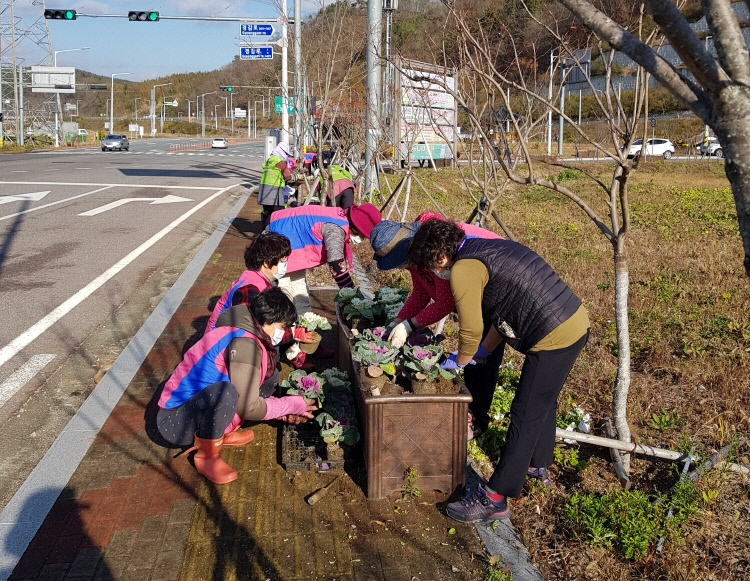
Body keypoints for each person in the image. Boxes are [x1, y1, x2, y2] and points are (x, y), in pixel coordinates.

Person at [407, 219, 590, 523]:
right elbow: (502, 314)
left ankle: (496, 497)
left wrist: (461, 360)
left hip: (553, 334)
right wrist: (483, 351)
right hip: (573, 321)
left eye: (432, 266)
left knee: (524, 413)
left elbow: (470, 329)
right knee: (543, 399)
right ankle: (537, 464)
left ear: (440, 257)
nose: (436, 274)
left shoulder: (464, 269)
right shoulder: (485, 249)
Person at [157, 288, 316, 484]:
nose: (284, 333)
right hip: (176, 420)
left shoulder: (246, 330)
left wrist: (279, 411)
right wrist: (289, 405)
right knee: (227, 392)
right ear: (267, 321)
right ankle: (206, 457)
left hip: (197, 407)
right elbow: (247, 406)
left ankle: (224, 432)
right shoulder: (244, 344)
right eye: (282, 327)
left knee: (270, 376)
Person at [369, 213, 503, 438]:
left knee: (482, 358)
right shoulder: (417, 256)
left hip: (492, 290)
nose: (403, 267)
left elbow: (445, 303)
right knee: (470, 355)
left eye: (401, 262)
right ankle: (467, 410)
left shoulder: (435, 253)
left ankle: (477, 418)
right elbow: (421, 293)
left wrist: (410, 325)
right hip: (472, 294)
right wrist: (398, 321)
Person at [267, 203, 382, 313]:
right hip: (279, 237)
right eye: (362, 235)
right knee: (284, 288)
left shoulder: (340, 217)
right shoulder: (335, 228)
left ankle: (303, 320)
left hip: (289, 237)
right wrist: (352, 294)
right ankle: (284, 326)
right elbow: (336, 264)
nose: (361, 239)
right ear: (357, 228)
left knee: (298, 285)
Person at [258, 141, 294, 229]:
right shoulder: (281, 162)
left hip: (264, 189)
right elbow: (288, 176)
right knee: (279, 212)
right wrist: (293, 177)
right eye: (286, 153)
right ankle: (277, 232)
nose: (286, 156)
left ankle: (266, 232)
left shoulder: (270, 160)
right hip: (274, 189)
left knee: (267, 211)